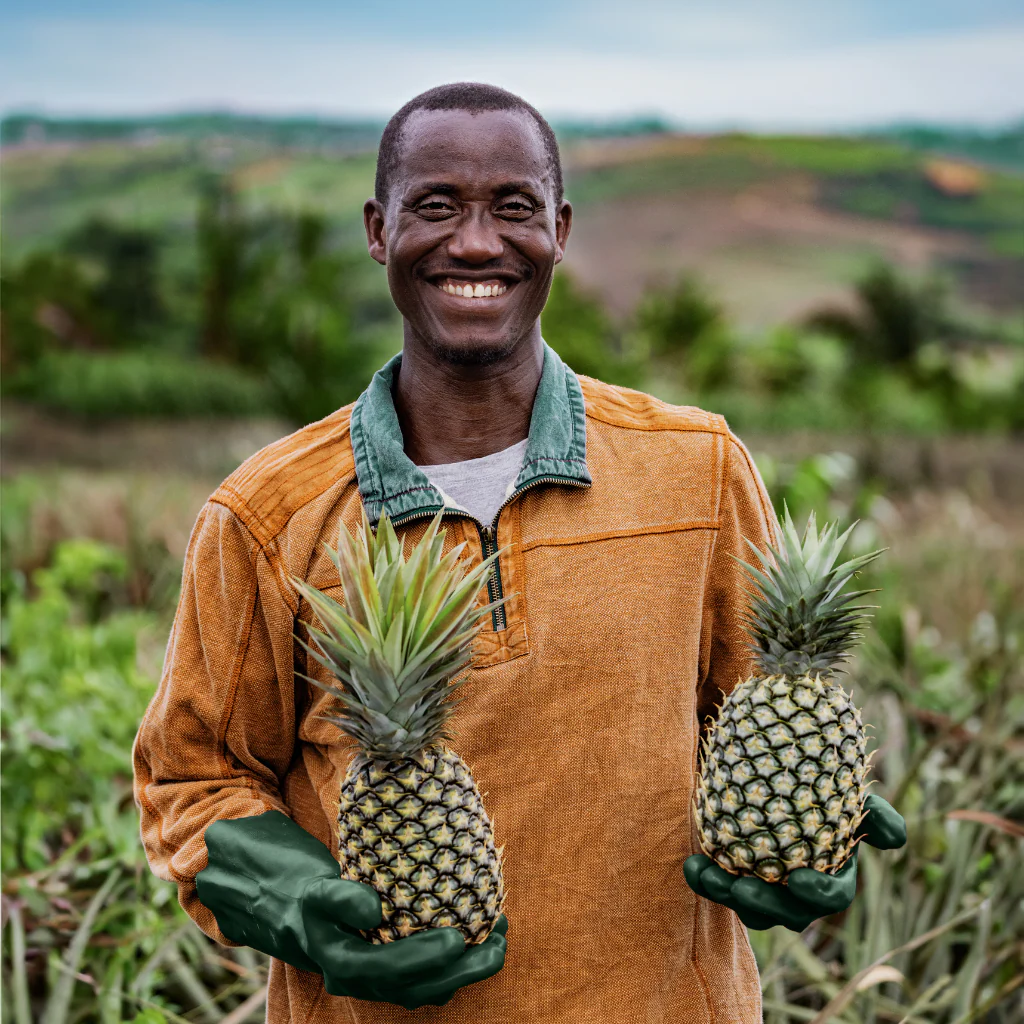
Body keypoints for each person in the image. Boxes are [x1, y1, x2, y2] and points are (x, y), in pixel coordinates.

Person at [133, 82, 905, 1024]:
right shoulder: (266, 513)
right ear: (379, 230)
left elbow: (761, 703)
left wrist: (804, 821)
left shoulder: (696, 470)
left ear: (560, 229)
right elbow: (192, 776)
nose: (474, 242)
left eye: (513, 208)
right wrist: (295, 903)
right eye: (435, 207)